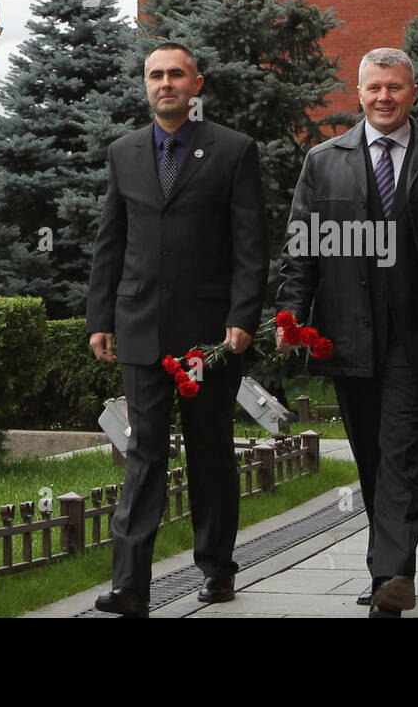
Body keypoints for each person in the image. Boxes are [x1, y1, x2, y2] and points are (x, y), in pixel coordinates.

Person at [275, 47, 418, 618]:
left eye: (394, 87)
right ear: (359, 93)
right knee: (371, 454)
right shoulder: (324, 161)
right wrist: (291, 317)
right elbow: (303, 246)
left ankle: (390, 574)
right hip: (348, 335)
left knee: (398, 451)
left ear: (412, 92)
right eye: (374, 88)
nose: (384, 97)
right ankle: (395, 565)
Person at [86, 42, 267, 618]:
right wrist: (100, 319)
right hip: (140, 328)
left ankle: (217, 569)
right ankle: (129, 586)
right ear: (146, 85)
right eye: (155, 75)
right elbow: (111, 241)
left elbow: (250, 247)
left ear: (197, 85)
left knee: (210, 452)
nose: (166, 84)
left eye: (176, 75)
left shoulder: (233, 152)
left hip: (209, 338)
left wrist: (242, 318)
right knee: (144, 455)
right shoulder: (125, 152)